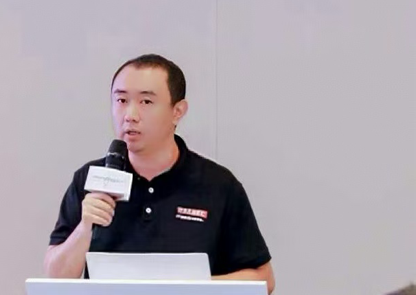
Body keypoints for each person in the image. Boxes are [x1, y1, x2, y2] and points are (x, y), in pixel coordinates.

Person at [43, 54, 275, 293]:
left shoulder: (218, 185)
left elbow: (263, 279)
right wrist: (84, 228)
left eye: (146, 102)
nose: (130, 115)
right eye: (121, 100)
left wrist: (187, 287)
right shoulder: (90, 179)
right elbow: (55, 278)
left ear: (177, 111)